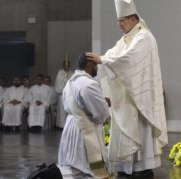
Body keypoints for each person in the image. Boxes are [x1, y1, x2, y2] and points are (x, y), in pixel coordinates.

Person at [86, 0, 168, 177]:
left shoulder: (144, 37)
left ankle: (141, 167)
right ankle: (126, 166)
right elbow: (113, 55)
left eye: (122, 20)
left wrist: (103, 60)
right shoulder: (125, 39)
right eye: (118, 20)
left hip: (139, 99)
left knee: (140, 133)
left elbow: (129, 60)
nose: (119, 24)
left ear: (133, 19)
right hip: (125, 99)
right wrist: (102, 59)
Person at [58, 53, 112, 178]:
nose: (97, 69)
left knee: (73, 168)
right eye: (96, 66)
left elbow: (76, 104)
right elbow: (101, 114)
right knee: (87, 170)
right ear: (89, 65)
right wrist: (105, 105)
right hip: (84, 128)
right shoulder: (89, 84)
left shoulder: (69, 83)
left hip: (71, 125)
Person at [54, 58, 73, 128]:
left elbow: (73, 82)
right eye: (65, 65)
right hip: (62, 94)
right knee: (62, 111)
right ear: (63, 65)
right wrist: (64, 79)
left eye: (68, 65)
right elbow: (58, 83)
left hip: (70, 94)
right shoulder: (60, 73)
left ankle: (69, 126)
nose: (66, 66)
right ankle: (62, 125)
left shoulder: (71, 73)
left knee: (70, 110)